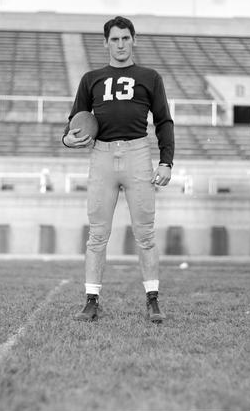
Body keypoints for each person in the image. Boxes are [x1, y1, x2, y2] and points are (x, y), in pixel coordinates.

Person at [62, 16, 174, 323]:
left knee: (146, 234)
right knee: (97, 235)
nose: (121, 44)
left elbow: (163, 120)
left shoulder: (150, 77)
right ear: (106, 43)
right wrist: (68, 139)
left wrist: (166, 161)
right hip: (102, 156)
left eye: (125, 38)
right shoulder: (91, 78)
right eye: (115, 39)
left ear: (134, 40)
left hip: (138, 152)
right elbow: (75, 120)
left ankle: (153, 300)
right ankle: (91, 301)